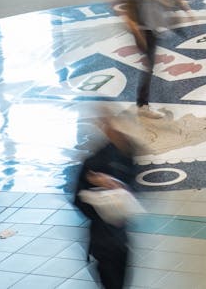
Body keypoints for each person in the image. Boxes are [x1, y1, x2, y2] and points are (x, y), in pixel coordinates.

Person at [119, 0, 190, 119]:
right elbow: (128, 4)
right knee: (149, 64)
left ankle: (142, 103)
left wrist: (182, 3)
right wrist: (135, 29)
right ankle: (142, 104)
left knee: (150, 63)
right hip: (143, 26)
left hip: (155, 22)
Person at [74, 115, 136, 289]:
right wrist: (101, 190)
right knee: (112, 281)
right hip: (105, 241)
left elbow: (134, 187)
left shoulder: (127, 156)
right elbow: (80, 200)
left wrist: (119, 188)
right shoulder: (94, 163)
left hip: (120, 240)